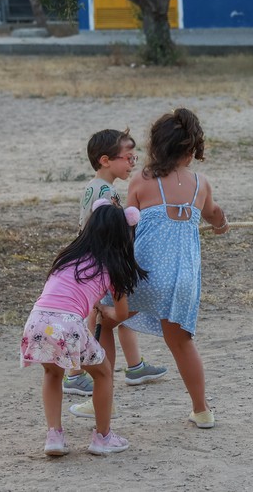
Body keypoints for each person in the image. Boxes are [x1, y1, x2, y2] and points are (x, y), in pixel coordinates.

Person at [124, 109, 229, 429]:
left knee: (104, 318)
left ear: (156, 145)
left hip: (143, 276)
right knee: (182, 343)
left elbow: (127, 224)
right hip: (182, 281)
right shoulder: (201, 184)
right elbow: (214, 215)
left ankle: (94, 395)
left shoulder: (141, 180)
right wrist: (221, 223)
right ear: (191, 148)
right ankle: (202, 410)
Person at [20, 200, 146, 456]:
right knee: (103, 373)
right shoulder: (113, 267)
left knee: (52, 373)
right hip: (68, 325)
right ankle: (103, 437)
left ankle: (54, 436)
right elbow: (121, 314)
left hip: (37, 320)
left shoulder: (67, 257)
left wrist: (94, 304)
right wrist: (106, 311)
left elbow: (67, 292)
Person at [67, 129, 167, 418]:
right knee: (100, 315)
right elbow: (106, 232)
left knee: (110, 310)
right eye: (128, 157)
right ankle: (76, 372)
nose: (132, 163)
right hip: (101, 262)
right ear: (105, 160)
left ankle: (134, 366)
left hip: (94, 260)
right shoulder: (106, 193)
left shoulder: (94, 187)